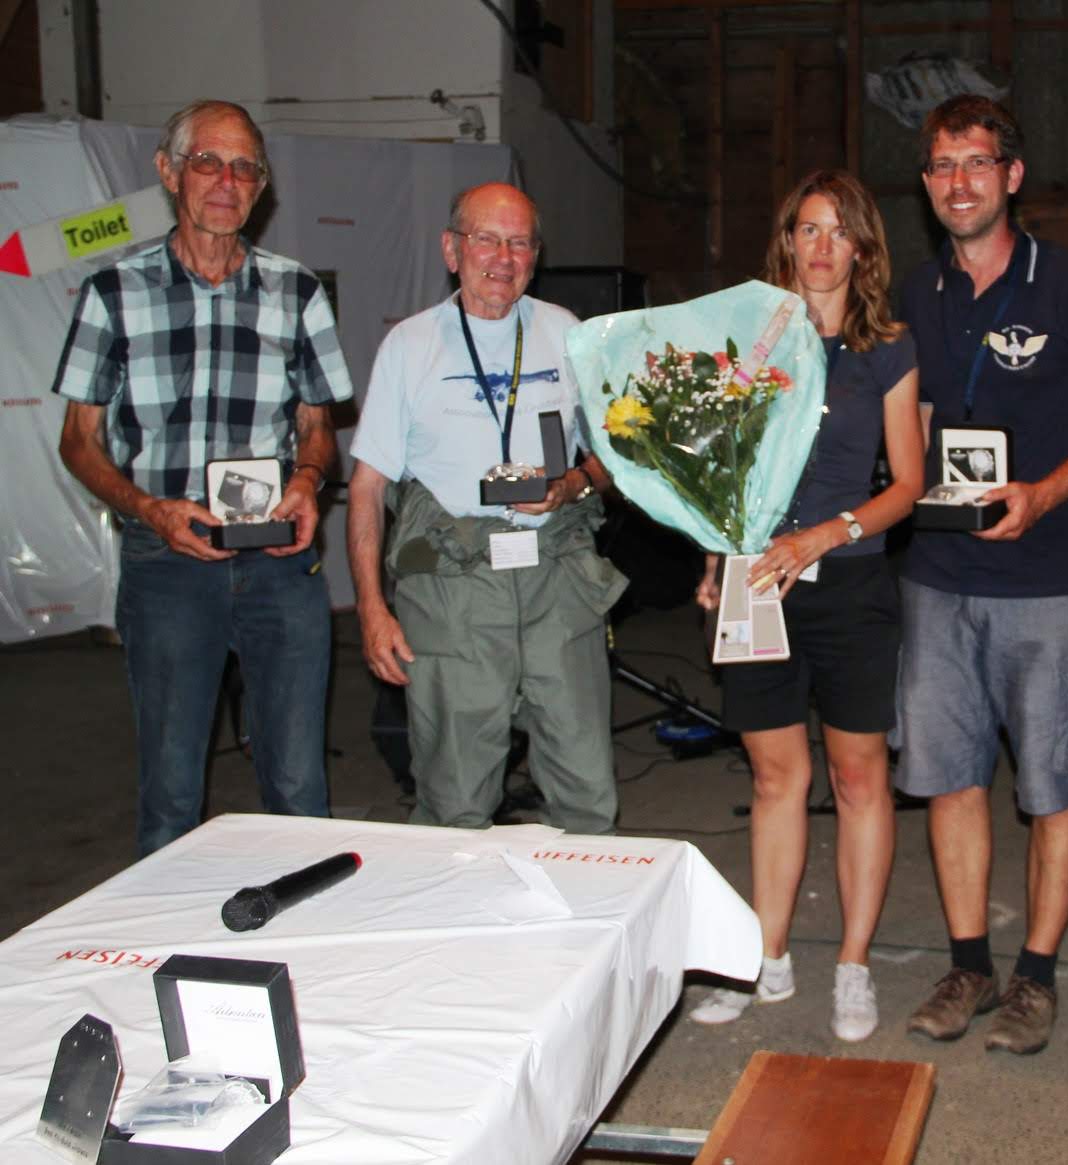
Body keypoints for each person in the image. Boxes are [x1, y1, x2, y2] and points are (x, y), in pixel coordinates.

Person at [895, 95, 1068, 1055]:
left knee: (1053, 785)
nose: (958, 182)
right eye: (941, 166)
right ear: (927, 184)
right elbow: (917, 422)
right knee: (950, 779)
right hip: (937, 577)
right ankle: (969, 963)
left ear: (1011, 175)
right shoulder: (917, 293)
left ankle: (1035, 976)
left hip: (1046, 582)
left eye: (976, 162)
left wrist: (1045, 493)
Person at [53, 99, 353, 857]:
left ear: (262, 186)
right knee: (171, 792)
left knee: (299, 788)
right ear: (168, 172)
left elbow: (318, 427)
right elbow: (79, 442)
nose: (227, 181)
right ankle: (169, 929)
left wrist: (308, 481)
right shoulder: (113, 292)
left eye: (245, 167)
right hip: (166, 562)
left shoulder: (297, 292)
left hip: (279, 559)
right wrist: (148, 509)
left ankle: (306, 920)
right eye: (208, 162)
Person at [688, 171, 923, 1042]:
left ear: (862, 247)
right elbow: (723, 470)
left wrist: (825, 535)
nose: (822, 246)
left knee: (859, 778)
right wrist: (716, 559)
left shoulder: (887, 347)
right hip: (757, 582)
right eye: (808, 229)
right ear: (787, 240)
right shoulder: (750, 341)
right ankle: (767, 957)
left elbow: (909, 483)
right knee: (775, 777)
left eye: (838, 230)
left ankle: (854, 964)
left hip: (850, 580)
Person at [346, 183, 625, 836]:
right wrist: (371, 609)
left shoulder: (565, 332)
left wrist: (572, 485)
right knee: (455, 804)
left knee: (587, 797)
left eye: (520, 242)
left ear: (536, 255)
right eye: (487, 239)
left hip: (556, 578)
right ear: (452, 250)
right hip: (454, 590)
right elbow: (366, 488)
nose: (504, 258)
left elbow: (617, 458)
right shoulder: (410, 346)